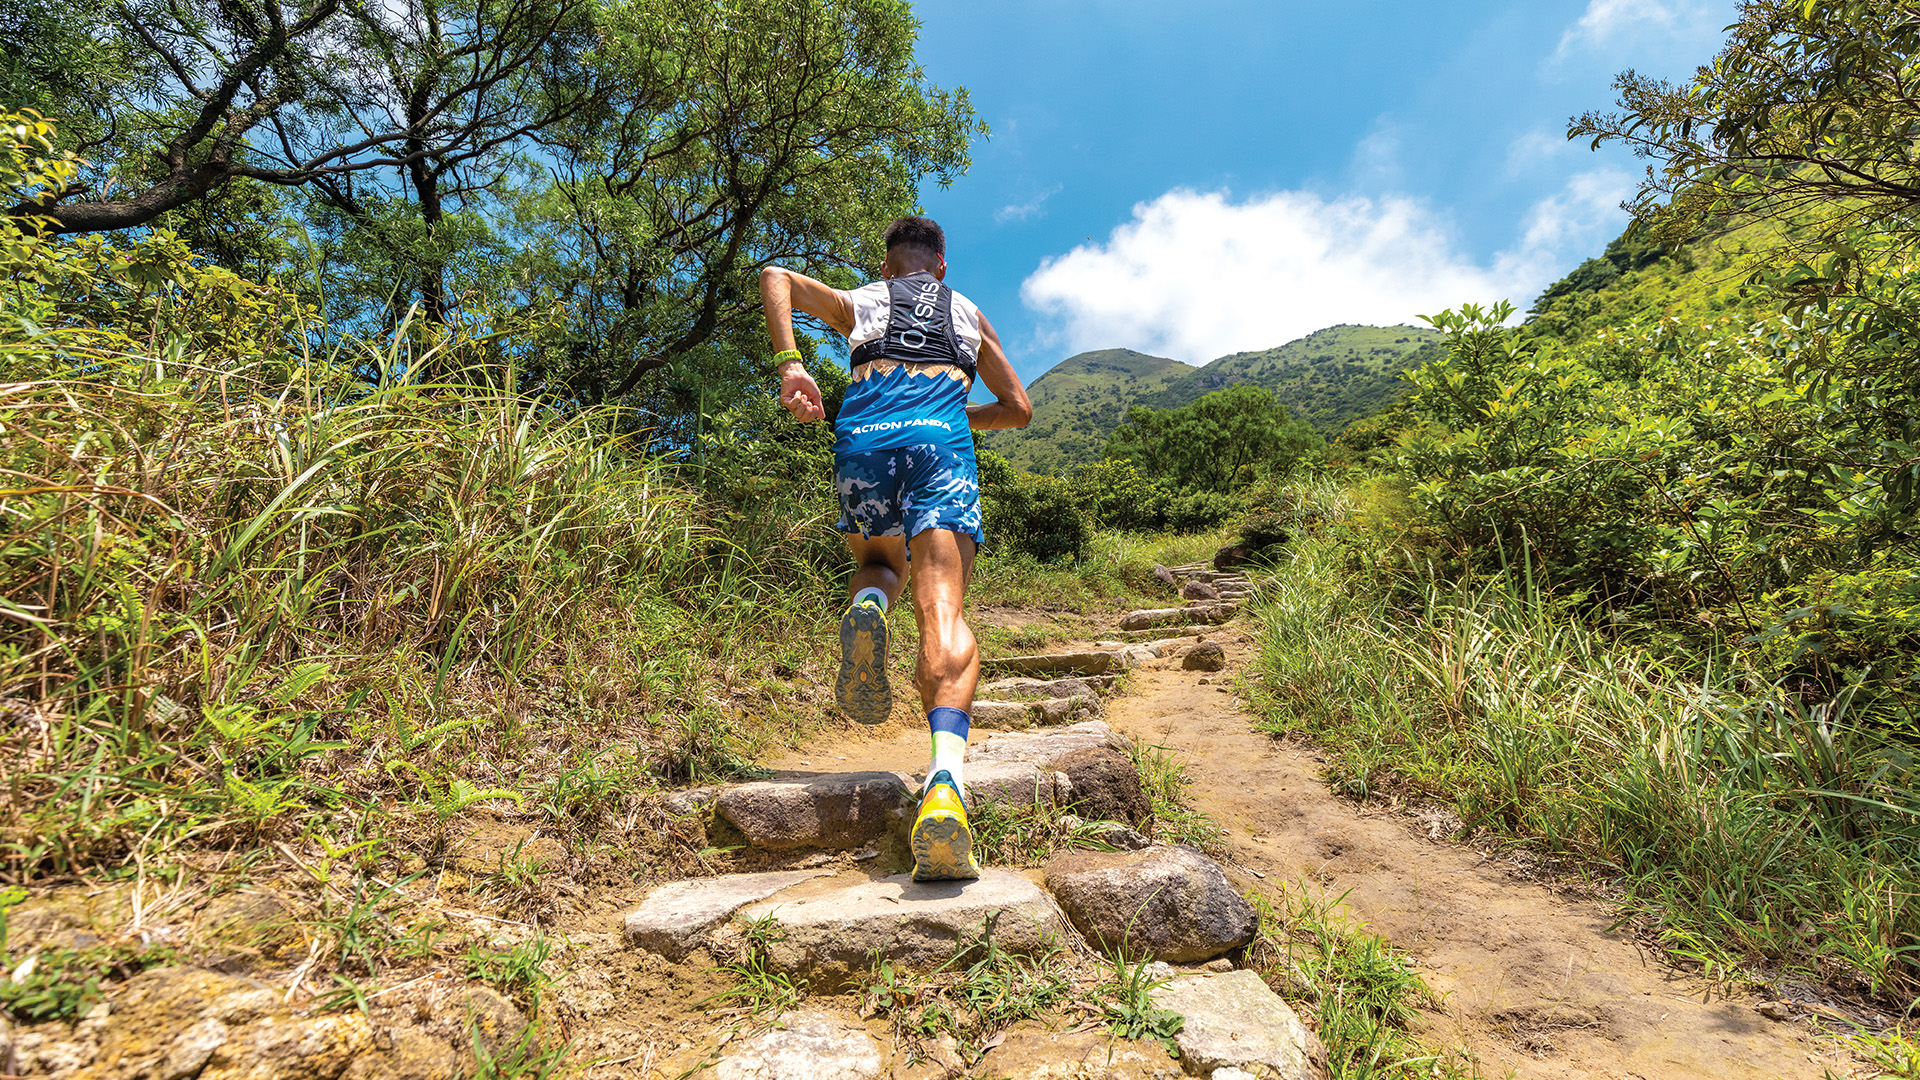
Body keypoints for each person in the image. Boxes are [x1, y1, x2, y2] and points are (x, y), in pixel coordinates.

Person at [759, 216, 1032, 882]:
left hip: (863, 440)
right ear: (940, 267)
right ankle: (944, 783)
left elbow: (776, 278)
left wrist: (792, 365)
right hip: (938, 444)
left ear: (888, 269)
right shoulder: (968, 311)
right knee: (942, 610)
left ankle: (872, 605)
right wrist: (950, 413)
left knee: (877, 564)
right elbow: (1019, 407)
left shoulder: (866, 300)